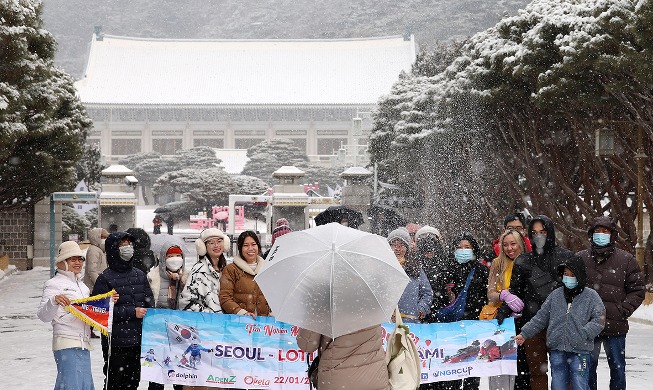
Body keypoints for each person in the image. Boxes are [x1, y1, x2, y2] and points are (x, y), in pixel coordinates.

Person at [504, 215, 574, 390]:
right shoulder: (523, 260)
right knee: (536, 374)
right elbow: (516, 292)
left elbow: (576, 290)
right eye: (534, 232)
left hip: (561, 326)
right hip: (533, 326)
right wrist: (504, 308)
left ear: (550, 232)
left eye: (543, 231)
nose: (539, 236)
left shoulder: (566, 257)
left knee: (563, 373)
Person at [514, 256, 605, 390]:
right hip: (557, 349)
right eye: (565, 274)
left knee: (580, 383)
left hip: (580, 351)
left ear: (580, 275)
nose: (568, 278)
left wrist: (584, 333)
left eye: (572, 275)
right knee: (558, 384)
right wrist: (525, 333)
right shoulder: (556, 295)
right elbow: (541, 317)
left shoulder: (591, 296)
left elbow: (599, 320)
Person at [576, 216, 646, 390]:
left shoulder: (626, 260)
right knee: (587, 370)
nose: (601, 235)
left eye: (605, 231)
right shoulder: (580, 259)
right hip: (588, 327)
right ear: (591, 235)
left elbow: (637, 290)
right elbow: (570, 288)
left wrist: (622, 310)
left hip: (615, 327)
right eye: (597, 231)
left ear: (612, 235)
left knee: (618, 369)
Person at [37, 241, 105, 390]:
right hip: (66, 341)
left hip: (83, 342)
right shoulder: (53, 284)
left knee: (80, 385)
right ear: (62, 262)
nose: (78, 263)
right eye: (72, 259)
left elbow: (89, 312)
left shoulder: (82, 286)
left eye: (80, 259)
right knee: (72, 385)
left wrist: (107, 303)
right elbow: (43, 315)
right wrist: (53, 301)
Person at [92, 231, 154, 390]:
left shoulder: (140, 275)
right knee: (115, 383)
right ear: (113, 249)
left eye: (129, 244)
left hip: (137, 341)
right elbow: (98, 311)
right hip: (116, 343)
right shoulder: (105, 278)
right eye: (122, 244)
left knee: (133, 382)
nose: (127, 248)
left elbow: (149, 303)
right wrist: (131, 312)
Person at [431, 233, 489, 390]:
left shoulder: (482, 271)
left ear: (474, 250)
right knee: (452, 373)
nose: (463, 250)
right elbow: (437, 299)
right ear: (453, 250)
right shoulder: (445, 271)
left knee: (472, 373)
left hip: (475, 327)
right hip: (451, 330)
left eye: (467, 247)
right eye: (459, 247)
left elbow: (487, 298)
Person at [486, 230, 526, 390]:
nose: (509, 248)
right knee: (499, 366)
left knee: (520, 368)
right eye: (506, 244)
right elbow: (490, 293)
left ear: (520, 244)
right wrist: (503, 295)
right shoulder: (497, 263)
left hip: (521, 321)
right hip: (500, 321)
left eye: (513, 243)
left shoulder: (527, 261)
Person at [147, 238, 187, 390]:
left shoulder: (187, 277)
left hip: (180, 332)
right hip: (159, 332)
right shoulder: (153, 277)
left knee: (180, 373)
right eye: (170, 256)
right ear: (163, 258)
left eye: (177, 255)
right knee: (157, 374)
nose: (174, 259)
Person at [296, 325, 390, 390]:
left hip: (337, 380)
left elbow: (307, 346)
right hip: (375, 377)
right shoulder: (372, 302)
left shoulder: (323, 303)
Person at [219, 230, 271, 318]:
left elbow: (274, 296)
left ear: (258, 246)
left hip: (264, 324)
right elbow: (225, 298)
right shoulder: (231, 270)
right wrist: (241, 313)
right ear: (240, 248)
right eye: (246, 245)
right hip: (240, 324)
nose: (250, 248)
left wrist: (272, 313)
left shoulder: (267, 269)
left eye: (253, 244)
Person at [387, 227, 433, 323]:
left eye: (402, 245)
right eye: (394, 245)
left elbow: (427, 293)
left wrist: (420, 310)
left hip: (410, 322)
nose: (397, 249)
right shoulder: (383, 269)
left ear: (407, 248)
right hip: (386, 323)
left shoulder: (415, 268)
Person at [179, 228, 227, 313]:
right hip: (208, 323)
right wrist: (209, 313)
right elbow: (185, 302)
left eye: (219, 241)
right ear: (203, 247)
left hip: (224, 322)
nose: (216, 245)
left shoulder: (226, 268)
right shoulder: (199, 270)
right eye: (211, 242)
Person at [414, 225, 454, 323]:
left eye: (432, 239)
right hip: (420, 310)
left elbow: (450, 287)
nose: (429, 244)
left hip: (441, 309)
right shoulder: (414, 264)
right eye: (424, 239)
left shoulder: (446, 262)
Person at [83, 227, 109, 292]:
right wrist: (101, 285)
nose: (105, 239)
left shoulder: (100, 250)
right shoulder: (94, 250)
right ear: (96, 237)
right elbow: (92, 271)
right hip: (94, 288)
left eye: (106, 237)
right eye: (103, 237)